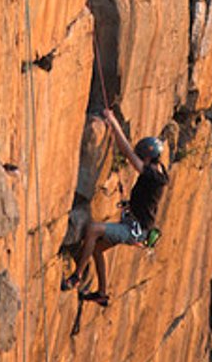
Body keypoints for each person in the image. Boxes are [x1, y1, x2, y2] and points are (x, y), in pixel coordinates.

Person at [62, 108, 169, 308]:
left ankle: (76, 276)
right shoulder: (158, 171)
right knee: (96, 249)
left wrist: (112, 122)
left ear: (147, 158)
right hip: (136, 226)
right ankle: (102, 294)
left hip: (134, 231)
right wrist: (132, 204)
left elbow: (128, 153)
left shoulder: (152, 175)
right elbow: (148, 198)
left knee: (93, 230)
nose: (141, 160)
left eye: (142, 157)